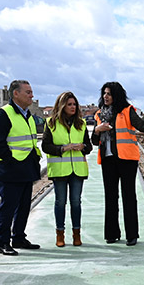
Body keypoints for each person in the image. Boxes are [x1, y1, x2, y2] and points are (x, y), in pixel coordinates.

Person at [91, 82, 144, 246]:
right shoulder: (99, 115)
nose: (105, 97)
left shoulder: (127, 111)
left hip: (127, 160)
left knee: (129, 196)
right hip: (108, 160)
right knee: (110, 197)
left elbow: (142, 125)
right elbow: (94, 141)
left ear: (116, 95)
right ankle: (111, 234)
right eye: (104, 94)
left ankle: (131, 235)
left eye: (108, 94)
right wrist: (97, 130)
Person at [0, 80, 42, 255]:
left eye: (31, 92)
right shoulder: (4, 114)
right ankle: (3, 242)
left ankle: (18, 237)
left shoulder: (28, 115)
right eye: (28, 92)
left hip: (26, 168)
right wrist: (10, 161)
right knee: (9, 207)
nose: (31, 95)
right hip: (9, 169)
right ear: (16, 94)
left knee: (24, 206)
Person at [41, 91, 92, 247]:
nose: (72, 107)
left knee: (76, 202)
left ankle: (77, 234)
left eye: (74, 104)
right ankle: (60, 234)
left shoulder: (81, 124)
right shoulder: (51, 123)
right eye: (69, 104)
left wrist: (83, 147)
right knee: (60, 202)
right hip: (59, 170)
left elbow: (88, 146)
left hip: (77, 170)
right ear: (62, 106)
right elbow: (45, 146)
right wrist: (62, 148)